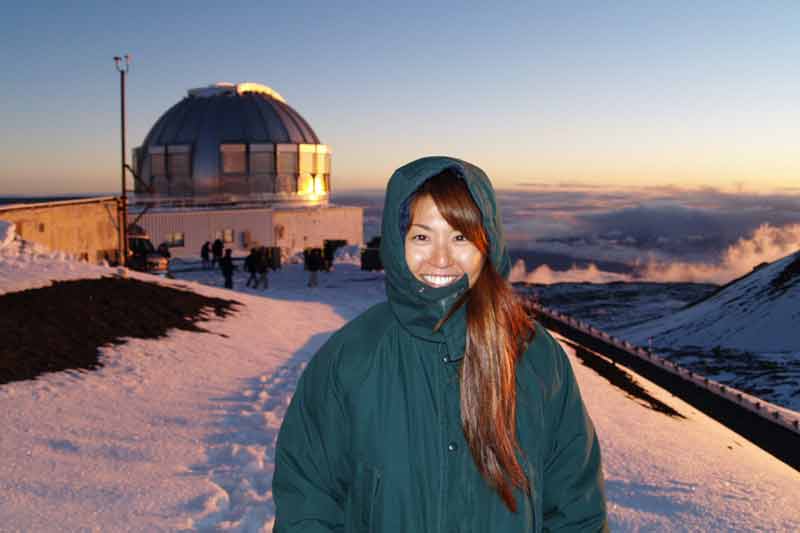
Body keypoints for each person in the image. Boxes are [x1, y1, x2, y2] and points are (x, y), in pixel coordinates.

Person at [273, 157, 607, 531]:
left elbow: (576, 507)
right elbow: (307, 494)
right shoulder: (352, 356)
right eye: (422, 236)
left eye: (460, 236)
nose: (441, 257)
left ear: (487, 243)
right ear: (398, 243)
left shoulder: (533, 356)